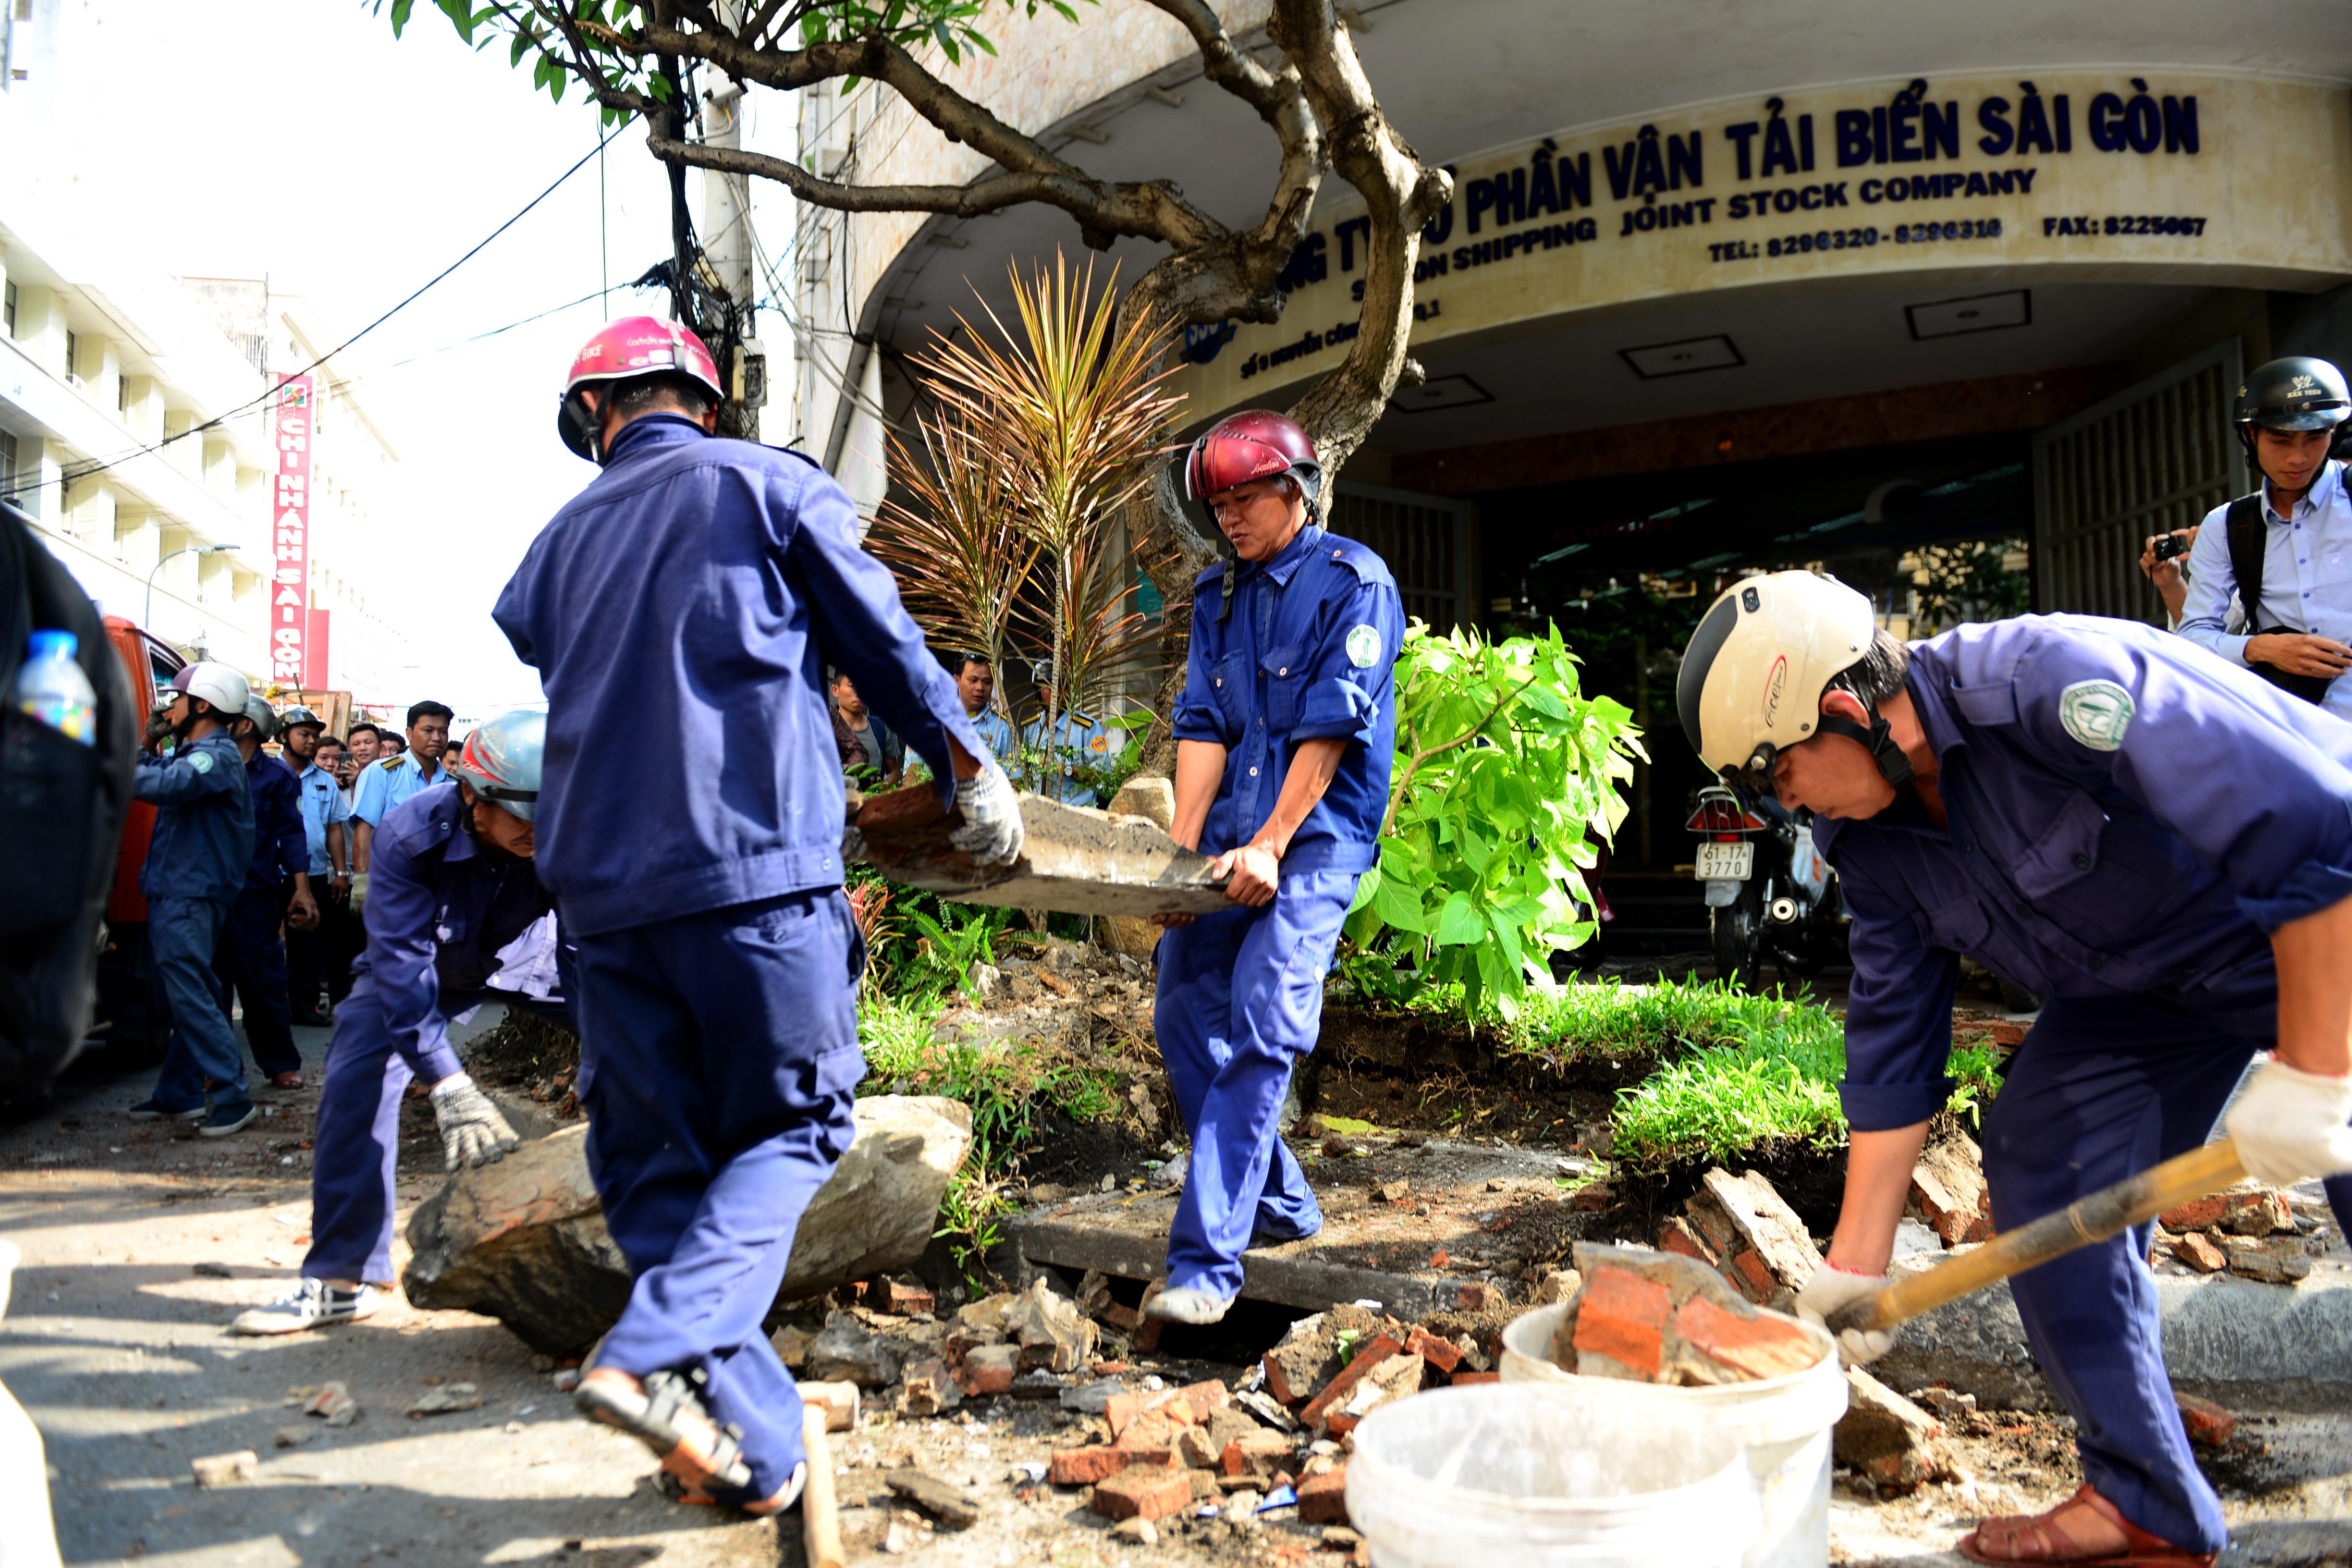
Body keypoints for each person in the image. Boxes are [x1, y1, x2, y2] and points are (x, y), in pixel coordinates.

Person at [1675, 570, 2352, 1566]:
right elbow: (1894, 1044)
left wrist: (2320, 1066)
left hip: (2319, 919)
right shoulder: (1866, 841)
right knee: (2044, 1152)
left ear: (1842, 708)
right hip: (2153, 992)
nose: (1781, 804)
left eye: (1776, 772)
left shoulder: (2047, 684)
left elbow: (2309, 824)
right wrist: (1853, 1273)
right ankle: (2141, 1496)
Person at [493, 316, 1023, 1514]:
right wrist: (965, 766)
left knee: (652, 1170)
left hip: (602, 908)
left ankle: (759, 1443)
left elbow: (559, 665)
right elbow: (877, 638)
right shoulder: (769, 484)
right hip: (752, 880)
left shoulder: (553, 546)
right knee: (792, 1127)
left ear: (596, 417)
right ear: (705, 400)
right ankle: (645, 1350)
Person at [1146, 410, 1404, 1326]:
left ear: (1293, 492)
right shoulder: (1217, 598)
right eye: (1217, 504)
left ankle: (1205, 1263)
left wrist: (1273, 842)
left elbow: (1329, 727)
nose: (1228, 518)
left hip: (1316, 837)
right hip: (1229, 835)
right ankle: (1284, 1202)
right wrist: (1181, 859)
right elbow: (1203, 726)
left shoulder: (1353, 583)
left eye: (1244, 498)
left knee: (1263, 1017)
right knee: (1180, 1007)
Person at [231, 711, 557, 1336]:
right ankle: (340, 1279)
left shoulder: (572, 830)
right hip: (423, 964)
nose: (542, 831)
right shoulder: (412, 830)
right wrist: (447, 1080)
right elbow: (401, 965)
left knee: (642, 1044)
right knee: (355, 1078)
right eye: (525, 814)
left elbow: (601, 944)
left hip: (530, 961)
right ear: (473, 796)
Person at [126, 662, 259, 1137]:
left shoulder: (214, 758)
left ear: (202, 704)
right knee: (188, 994)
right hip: (180, 890)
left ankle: (231, 1095)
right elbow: (155, 769)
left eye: (177, 699)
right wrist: (147, 742)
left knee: (191, 994)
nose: (169, 707)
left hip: (190, 893)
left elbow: (160, 785)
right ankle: (180, 1092)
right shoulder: (197, 753)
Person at [2177, 356, 2352, 717]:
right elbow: (2191, 640)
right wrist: (2260, 648)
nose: (2298, 458)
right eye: (2280, 441)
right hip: (2290, 731)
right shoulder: (2225, 526)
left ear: (2335, 433)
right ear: (2251, 435)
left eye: (2316, 437)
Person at [213, 696, 316, 1089]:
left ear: (246, 726)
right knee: (211, 983)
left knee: (263, 982)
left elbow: (292, 834)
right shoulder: (204, 766)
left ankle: (280, 1065)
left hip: (255, 894)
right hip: (208, 893)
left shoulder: (276, 777)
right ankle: (214, 1067)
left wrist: (302, 889)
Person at [278, 706, 347, 1027]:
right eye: (304, 735)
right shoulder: (268, 773)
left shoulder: (325, 782)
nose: (311, 742)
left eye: (314, 736)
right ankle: (269, 1007)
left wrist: (341, 872)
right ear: (282, 737)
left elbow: (334, 828)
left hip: (315, 872)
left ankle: (304, 1006)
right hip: (270, 873)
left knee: (308, 942)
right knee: (264, 941)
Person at [350, 701, 454, 893]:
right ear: (409, 733)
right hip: (391, 884)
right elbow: (365, 828)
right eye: (428, 730)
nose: (437, 738)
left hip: (438, 886)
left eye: (443, 731)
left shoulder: (452, 785)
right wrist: (362, 882)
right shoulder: (382, 773)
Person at [1020, 660, 1121, 805]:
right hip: (1041, 813)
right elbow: (1025, 772)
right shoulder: (1032, 728)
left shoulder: (1087, 728)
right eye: (1050, 687)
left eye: (1064, 687)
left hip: (1079, 815)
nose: (1058, 693)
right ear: (1038, 690)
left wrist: (1067, 768)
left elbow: (1103, 777)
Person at [830, 670, 903, 784]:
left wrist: (885, 784)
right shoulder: (824, 731)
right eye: (852, 686)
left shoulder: (882, 728)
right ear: (835, 691)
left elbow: (894, 772)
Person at [956, 652, 1014, 762]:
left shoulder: (1003, 728)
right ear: (956, 681)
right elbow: (915, 773)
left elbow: (1014, 777)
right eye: (973, 680)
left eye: (987, 682)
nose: (980, 688)